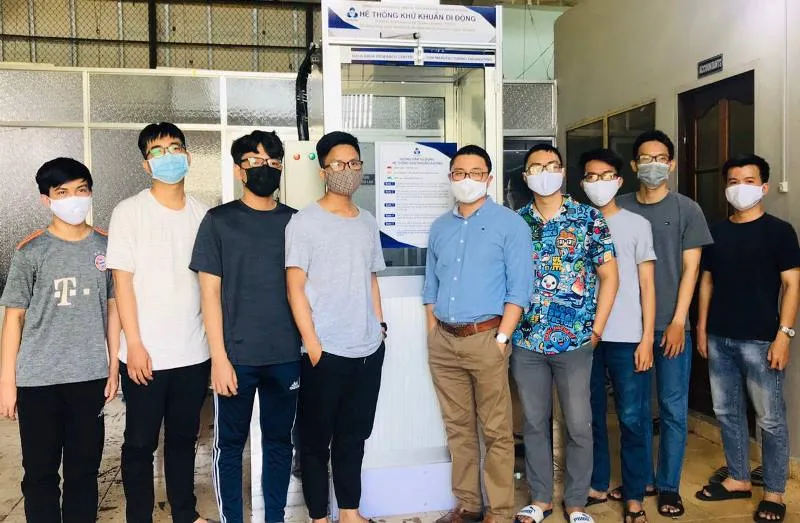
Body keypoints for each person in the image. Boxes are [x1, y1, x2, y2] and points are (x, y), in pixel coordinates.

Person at [0, 158, 119, 523]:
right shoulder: (31, 251)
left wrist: (114, 366)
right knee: (40, 473)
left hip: (89, 377)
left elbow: (114, 309)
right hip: (38, 380)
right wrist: (7, 383)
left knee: (84, 471)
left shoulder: (106, 247)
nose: (74, 199)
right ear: (46, 199)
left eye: (81, 190)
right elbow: (14, 318)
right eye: (63, 192)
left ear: (91, 193)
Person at [191, 130, 301, 523]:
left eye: (273, 162)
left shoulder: (296, 222)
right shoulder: (218, 221)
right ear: (240, 170)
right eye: (255, 161)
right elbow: (209, 295)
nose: (264, 168)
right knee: (230, 445)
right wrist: (218, 358)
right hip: (236, 357)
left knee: (279, 442)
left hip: (286, 355)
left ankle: (276, 517)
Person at [106, 122, 214, 523]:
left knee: (184, 439)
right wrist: (133, 344)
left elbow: (211, 285)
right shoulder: (129, 212)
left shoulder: (204, 214)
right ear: (146, 164)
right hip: (145, 353)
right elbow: (122, 283)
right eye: (158, 151)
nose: (168, 156)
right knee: (139, 442)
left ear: (188, 156)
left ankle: (185, 513)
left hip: (193, 350)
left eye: (175, 147)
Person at [423, 145, 533, 523]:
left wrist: (502, 339)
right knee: (458, 428)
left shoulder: (510, 225)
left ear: (489, 178)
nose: (466, 179)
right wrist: (433, 333)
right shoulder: (440, 227)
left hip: (487, 339)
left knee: (496, 431)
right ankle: (468, 504)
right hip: (444, 342)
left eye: (475, 173)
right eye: (459, 173)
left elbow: (520, 289)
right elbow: (431, 286)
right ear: (450, 178)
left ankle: (499, 512)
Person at [512, 143, 619, 523]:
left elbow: (610, 276)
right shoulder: (516, 222)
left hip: (575, 341)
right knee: (533, 423)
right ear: (526, 176)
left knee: (578, 424)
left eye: (552, 165)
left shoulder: (588, 219)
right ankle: (540, 498)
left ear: (562, 172)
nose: (544, 172)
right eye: (536, 167)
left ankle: (575, 502)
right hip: (527, 341)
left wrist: (597, 330)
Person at [285, 131, 386, 523]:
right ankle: (318, 517)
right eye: (339, 164)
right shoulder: (304, 222)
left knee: (353, 437)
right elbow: (294, 287)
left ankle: (350, 513)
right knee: (315, 442)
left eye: (354, 163)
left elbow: (371, 277)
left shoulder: (367, 222)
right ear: (323, 170)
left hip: (367, 350)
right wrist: (312, 345)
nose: (348, 170)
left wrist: (380, 326)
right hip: (324, 352)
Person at [695, 154, 799, 523]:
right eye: (734, 181)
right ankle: (738, 478)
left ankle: (774, 491)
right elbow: (706, 282)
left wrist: (784, 335)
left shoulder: (780, 232)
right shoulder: (716, 232)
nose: (741, 187)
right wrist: (701, 328)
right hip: (719, 336)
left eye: (749, 181)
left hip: (761, 340)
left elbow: (792, 285)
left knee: (770, 419)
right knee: (727, 412)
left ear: (764, 187)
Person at [616, 130, 713, 518]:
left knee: (673, 408)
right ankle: (640, 480)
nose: (653, 165)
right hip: (627, 328)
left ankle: (669, 485)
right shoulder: (619, 206)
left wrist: (678, 321)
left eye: (660, 158)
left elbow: (691, 270)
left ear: (670, 164)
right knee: (634, 411)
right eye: (645, 158)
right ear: (634, 165)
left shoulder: (688, 209)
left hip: (672, 327)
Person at [578, 149, 655, 523]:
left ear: (620, 180)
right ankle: (596, 483)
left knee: (632, 417)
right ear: (582, 183)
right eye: (591, 177)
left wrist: (646, 338)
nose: (599, 183)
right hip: (583, 337)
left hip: (627, 336)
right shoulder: (575, 224)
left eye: (606, 175)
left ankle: (635, 494)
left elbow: (647, 285)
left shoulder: (637, 224)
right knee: (589, 414)